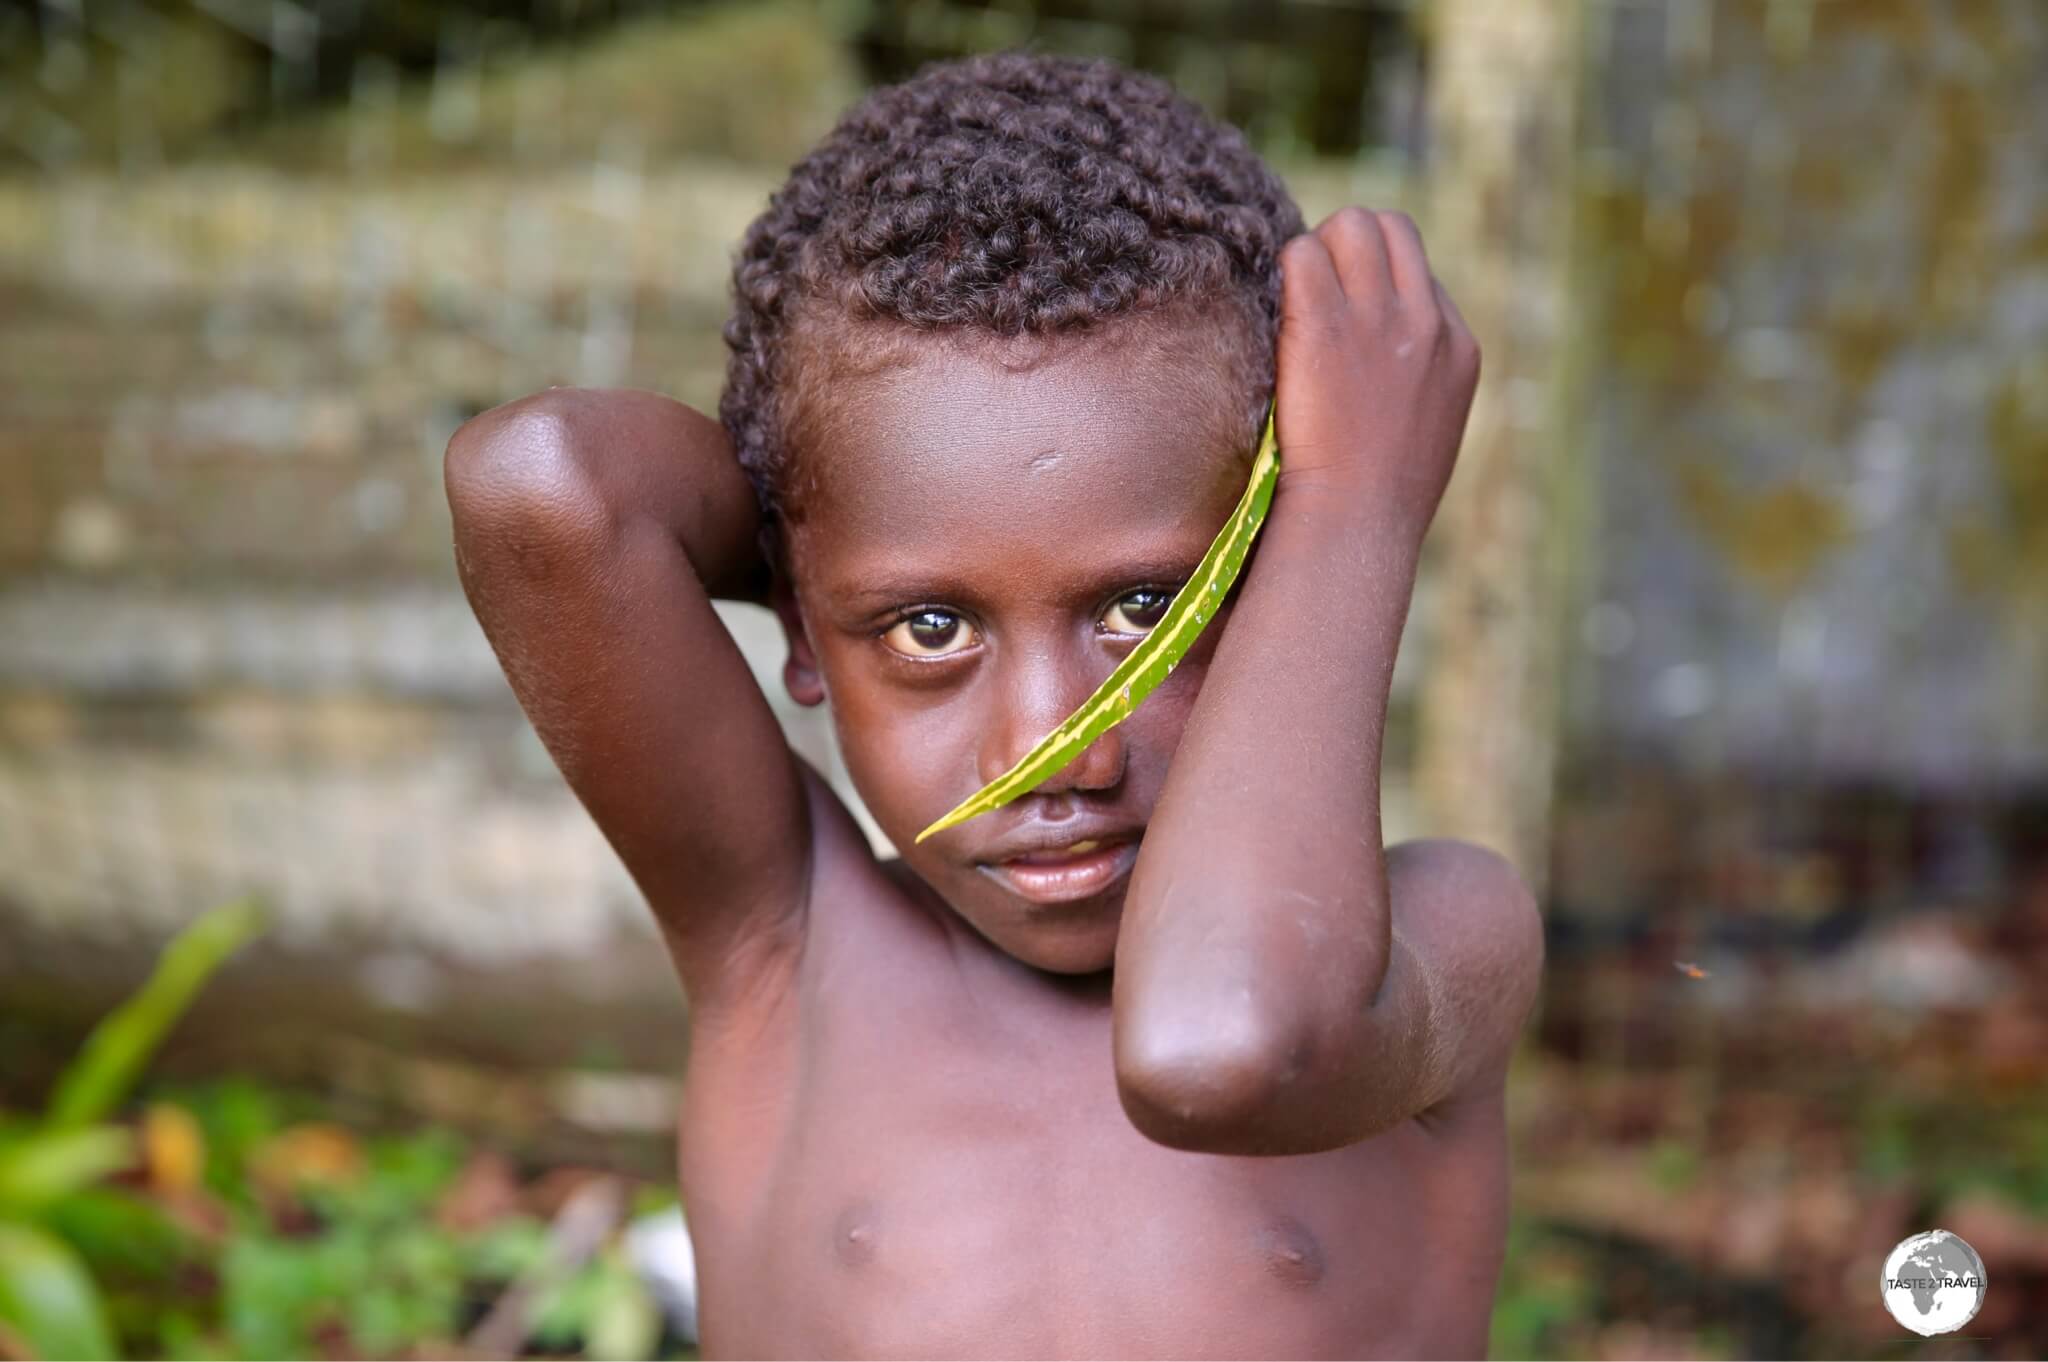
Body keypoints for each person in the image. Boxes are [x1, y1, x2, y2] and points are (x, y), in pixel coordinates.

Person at [445, 50, 1542, 1358]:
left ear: (1278, 579)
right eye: (930, 625)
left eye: (1146, 610)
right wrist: (834, 518)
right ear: (809, 623)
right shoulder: (785, 943)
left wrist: (1350, 503)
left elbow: (1223, 1038)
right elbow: (545, 485)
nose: (1049, 749)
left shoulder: (1448, 938)